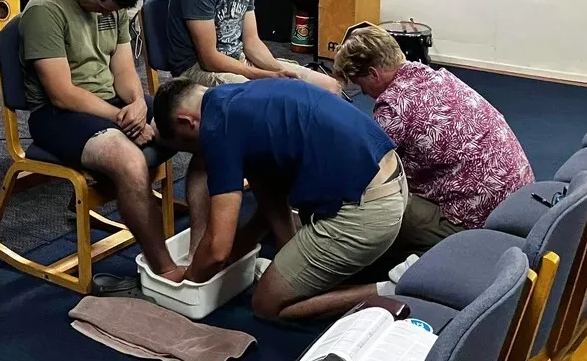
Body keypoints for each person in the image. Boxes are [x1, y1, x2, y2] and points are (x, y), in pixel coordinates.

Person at [153, 76, 408, 321]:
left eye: (187, 147)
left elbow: (218, 250)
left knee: (267, 304)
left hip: (369, 211)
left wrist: (189, 283)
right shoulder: (236, 95)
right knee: (265, 181)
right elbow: (269, 190)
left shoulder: (217, 129)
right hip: (389, 177)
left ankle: (393, 287)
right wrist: (279, 254)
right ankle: (296, 264)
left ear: (187, 122)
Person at [20, 0, 180, 281]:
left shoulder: (113, 4)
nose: (107, 14)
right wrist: (124, 119)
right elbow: (61, 93)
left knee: (195, 115)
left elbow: (122, 67)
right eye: (104, 7)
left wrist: (136, 102)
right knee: (130, 161)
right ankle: (164, 269)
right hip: (57, 114)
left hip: (109, 102)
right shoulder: (44, 10)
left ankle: (210, 237)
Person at [334, 24, 534, 256]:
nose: (366, 93)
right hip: (517, 201)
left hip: (477, 221)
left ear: (373, 74)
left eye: (360, 84)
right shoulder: (436, 77)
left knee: (368, 203)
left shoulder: (395, 106)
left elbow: (363, 169)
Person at [166, 0, 341, 94]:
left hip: (238, 61)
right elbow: (209, 59)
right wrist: (266, 76)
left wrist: (281, 72)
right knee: (265, 97)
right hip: (196, 69)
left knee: (329, 86)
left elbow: (252, 42)